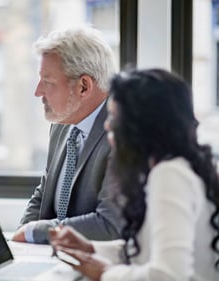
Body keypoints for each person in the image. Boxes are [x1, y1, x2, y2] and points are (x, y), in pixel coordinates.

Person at [49, 68, 219, 281]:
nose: (107, 124)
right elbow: (147, 251)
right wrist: (90, 248)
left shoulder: (169, 175)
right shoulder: (177, 168)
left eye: (115, 117)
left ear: (141, 126)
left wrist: (104, 273)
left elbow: (168, 275)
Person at [12, 26, 122, 244]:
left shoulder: (122, 135)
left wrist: (35, 232)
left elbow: (111, 225)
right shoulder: (63, 124)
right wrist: (19, 242)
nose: (38, 91)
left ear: (83, 87)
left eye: (48, 82)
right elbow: (44, 194)